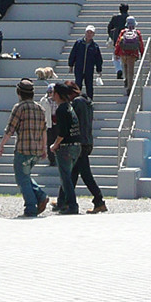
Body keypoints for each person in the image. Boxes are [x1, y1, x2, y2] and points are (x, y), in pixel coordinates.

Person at [0, 79, 50, 216]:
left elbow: (10, 129)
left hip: (23, 149)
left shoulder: (19, 108)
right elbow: (44, 130)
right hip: (37, 151)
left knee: (21, 178)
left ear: (18, 93)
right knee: (25, 176)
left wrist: (1, 145)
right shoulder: (40, 108)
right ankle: (40, 196)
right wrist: (44, 149)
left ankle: (31, 207)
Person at [68, 85, 107, 213]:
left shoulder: (77, 103)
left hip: (80, 142)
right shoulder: (87, 102)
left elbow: (74, 121)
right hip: (87, 141)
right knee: (73, 173)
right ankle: (65, 200)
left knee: (84, 175)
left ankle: (99, 200)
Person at [49, 81, 83, 214]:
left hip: (66, 147)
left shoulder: (61, 109)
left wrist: (55, 144)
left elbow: (62, 132)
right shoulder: (70, 107)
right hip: (76, 145)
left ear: (57, 94)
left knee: (66, 178)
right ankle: (62, 202)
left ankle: (72, 205)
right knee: (67, 175)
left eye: (53, 93)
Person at [68, 25, 104, 101]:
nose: (89, 34)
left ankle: (89, 101)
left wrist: (99, 69)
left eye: (91, 33)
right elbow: (73, 54)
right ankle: (76, 100)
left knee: (89, 86)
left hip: (89, 69)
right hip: (79, 68)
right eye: (88, 32)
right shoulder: (78, 43)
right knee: (78, 85)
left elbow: (98, 59)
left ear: (93, 34)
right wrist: (71, 65)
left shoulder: (95, 46)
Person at [114, 16, 144, 92]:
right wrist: (142, 53)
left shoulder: (123, 32)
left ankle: (126, 79)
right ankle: (130, 88)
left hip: (123, 53)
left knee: (125, 67)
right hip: (132, 54)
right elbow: (141, 44)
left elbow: (118, 43)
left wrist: (116, 53)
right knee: (131, 71)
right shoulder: (137, 32)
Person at [107, 3, 130, 80]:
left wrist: (112, 36)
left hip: (117, 39)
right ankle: (126, 73)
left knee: (116, 57)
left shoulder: (115, 18)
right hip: (128, 41)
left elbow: (109, 28)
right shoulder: (129, 18)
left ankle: (119, 70)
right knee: (126, 57)